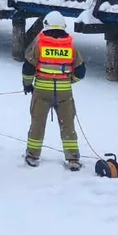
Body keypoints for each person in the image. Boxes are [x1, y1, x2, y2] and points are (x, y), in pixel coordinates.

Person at [22, 11, 86, 170]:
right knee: (68, 126)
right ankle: (73, 158)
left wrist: (27, 84)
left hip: (42, 92)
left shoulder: (39, 45)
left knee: (37, 124)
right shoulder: (71, 47)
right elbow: (81, 71)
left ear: (46, 25)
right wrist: (68, 81)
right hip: (64, 94)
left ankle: (32, 155)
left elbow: (28, 67)